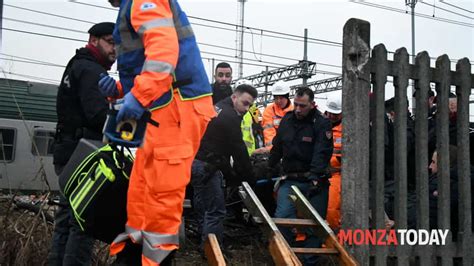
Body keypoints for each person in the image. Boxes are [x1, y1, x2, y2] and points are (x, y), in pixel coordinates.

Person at [99, 1, 215, 265]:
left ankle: (155, 261)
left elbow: (164, 53)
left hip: (176, 107)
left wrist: (138, 96)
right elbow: (155, 63)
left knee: (161, 196)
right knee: (142, 191)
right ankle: (131, 257)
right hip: (166, 108)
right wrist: (120, 89)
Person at [48, 22, 116, 266]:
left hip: (68, 150)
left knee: (67, 219)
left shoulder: (75, 65)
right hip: (83, 153)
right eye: (110, 41)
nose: (114, 49)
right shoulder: (91, 70)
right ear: (94, 40)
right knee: (83, 221)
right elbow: (97, 115)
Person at [268, 87, 333, 265]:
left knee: (315, 225)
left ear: (312, 104)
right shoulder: (287, 120)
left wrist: (315, 175)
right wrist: (269, 166)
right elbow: (278, 147)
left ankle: (309, 261)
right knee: (283, 217)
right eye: (295, 104)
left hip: (315, 180)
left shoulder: (321, 123)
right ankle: (286, 256)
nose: (297, 109)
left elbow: (322, 151)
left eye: (302, 106)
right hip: (290, 179)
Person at [192, 84, 257, 249]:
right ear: (235, 97)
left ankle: (203, 241)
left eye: (250, 105)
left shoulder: (219, 106)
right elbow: (238, 149)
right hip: (209, 166)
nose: (247, 108)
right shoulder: (229, 117)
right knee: (216, 211)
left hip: (198, 162)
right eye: (245, 103)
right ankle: (212, 250)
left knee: (203, 207)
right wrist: (247, 177)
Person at [254, 81, 293, 154]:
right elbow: (269, 132)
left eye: (281, 98)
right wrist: (272, 150)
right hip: (274, 149)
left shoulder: (294, 112)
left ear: (287, 97)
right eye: (276, 98)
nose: (278, 101)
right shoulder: (269, 110)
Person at [323, 93, 343, 230]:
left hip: (337, 174)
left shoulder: (348, 128)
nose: (331, 117)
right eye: (329, 113)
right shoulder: (318, 124)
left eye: (335, 114)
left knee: (331, 207)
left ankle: (333, 235)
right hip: (318, 172)